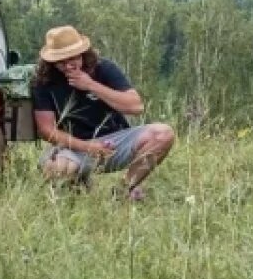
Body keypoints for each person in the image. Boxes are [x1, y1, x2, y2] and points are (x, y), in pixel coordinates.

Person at [31, 25, 176, 197]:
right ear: (52, 62)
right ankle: (78, 186)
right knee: (56, 167)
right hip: (72, 145)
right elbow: (47, 130)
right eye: (62, 62)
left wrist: (90, 85)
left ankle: (123, 190)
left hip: (113, 142)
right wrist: (87, 147)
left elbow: (136, 106)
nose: (69, 66)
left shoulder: (103, 68)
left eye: (74, 59)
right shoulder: (42, 81)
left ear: (83, 53)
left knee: (163, 134)